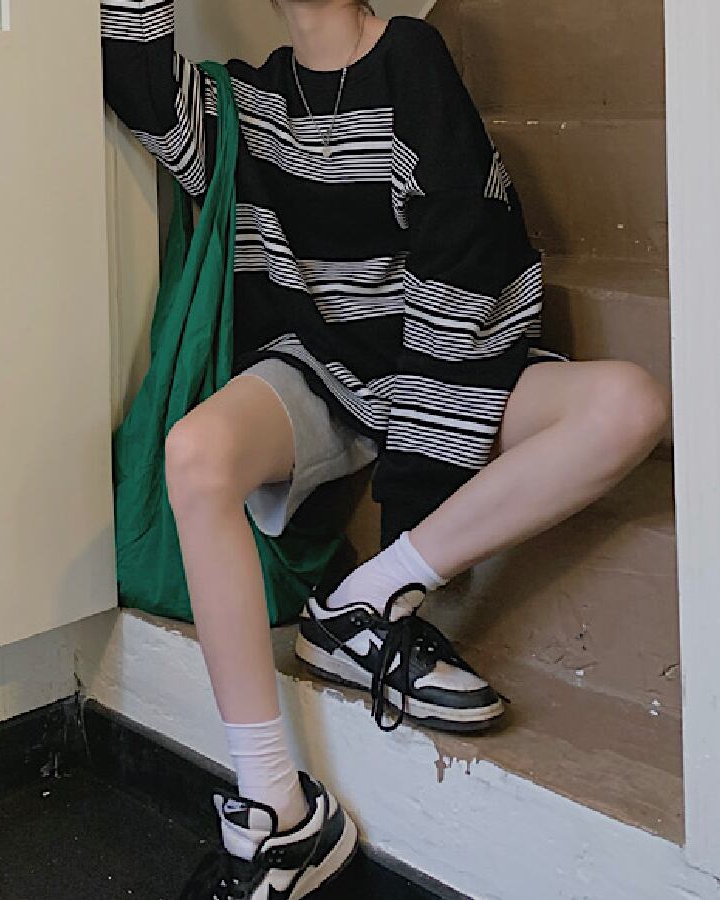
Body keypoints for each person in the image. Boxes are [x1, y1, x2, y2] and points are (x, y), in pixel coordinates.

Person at [101, 1, 670, 896]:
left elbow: (462, 258)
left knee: (628, 404)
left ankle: (366, 598)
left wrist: (407, 503)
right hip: (317, 375)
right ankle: (278, 810)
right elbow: (136, 79)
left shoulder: (411, 56)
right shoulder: (245, 105)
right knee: (195, 452)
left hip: (438, 370)